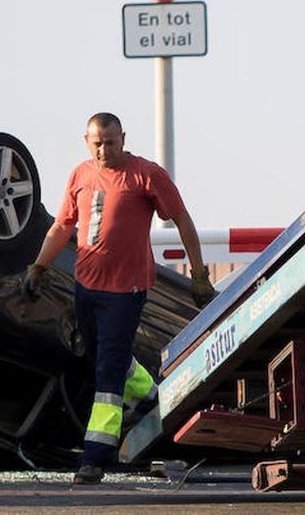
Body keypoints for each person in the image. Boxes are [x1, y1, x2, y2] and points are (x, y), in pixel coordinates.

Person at [23, 112, 216, 485]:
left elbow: (182, 220)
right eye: (97, 143)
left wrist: (200, 275)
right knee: (104, 359)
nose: (103, 150)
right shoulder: (80, 175)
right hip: (87, 287)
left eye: (110, 142)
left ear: (123, 139)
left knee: (108, 374)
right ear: (86, 141)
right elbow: (63, 225)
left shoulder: (146, 174)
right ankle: (150, 401)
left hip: (126, 291)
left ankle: (96, 455)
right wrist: (39, 267)